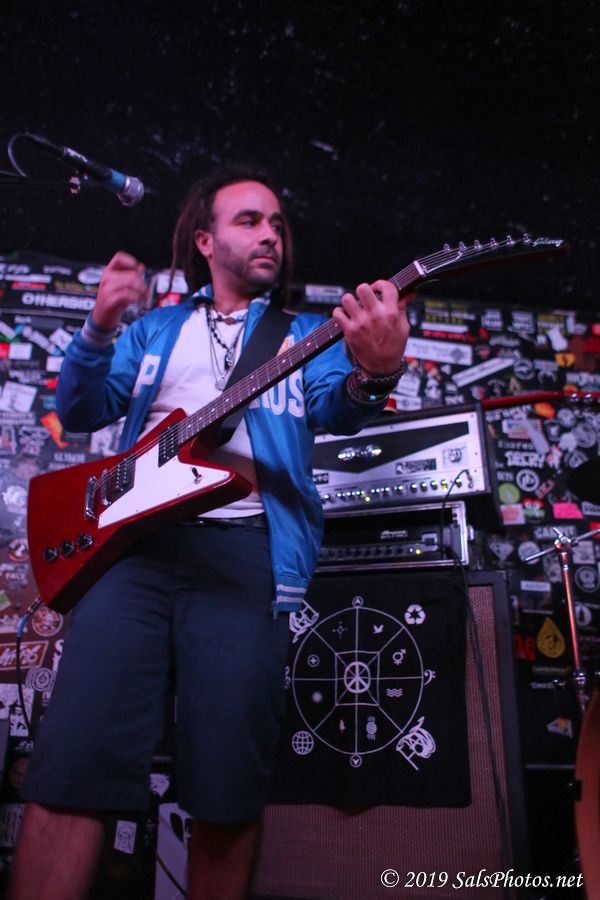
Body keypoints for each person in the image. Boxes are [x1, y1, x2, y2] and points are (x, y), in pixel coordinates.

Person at [10, 168, 410, 900]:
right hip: (132, 553)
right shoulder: (156, 330)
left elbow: (339, 407)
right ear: (205, 241)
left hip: (244, 553)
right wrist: (98, 328)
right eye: (250, 220)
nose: (270, 235)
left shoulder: (304, 336)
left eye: (278, 224)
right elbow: (81, 407)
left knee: (228, 788)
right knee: (73, 764)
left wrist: (375, 374)